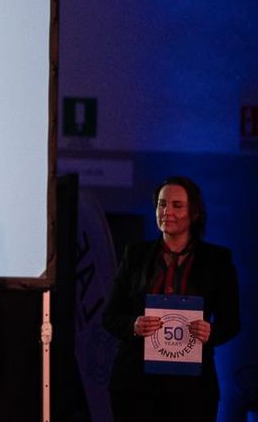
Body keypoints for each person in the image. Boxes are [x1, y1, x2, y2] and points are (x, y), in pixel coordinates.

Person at [102, 176, 240, 422]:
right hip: (135, 384)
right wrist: (134, 325)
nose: (167, 212)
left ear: (194, 213)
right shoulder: (135, 254)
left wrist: (211, 332)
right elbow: (110, 316)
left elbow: (232, 323)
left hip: (193, 389)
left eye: (177, 205)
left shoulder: (217, 260)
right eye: (162, 204)